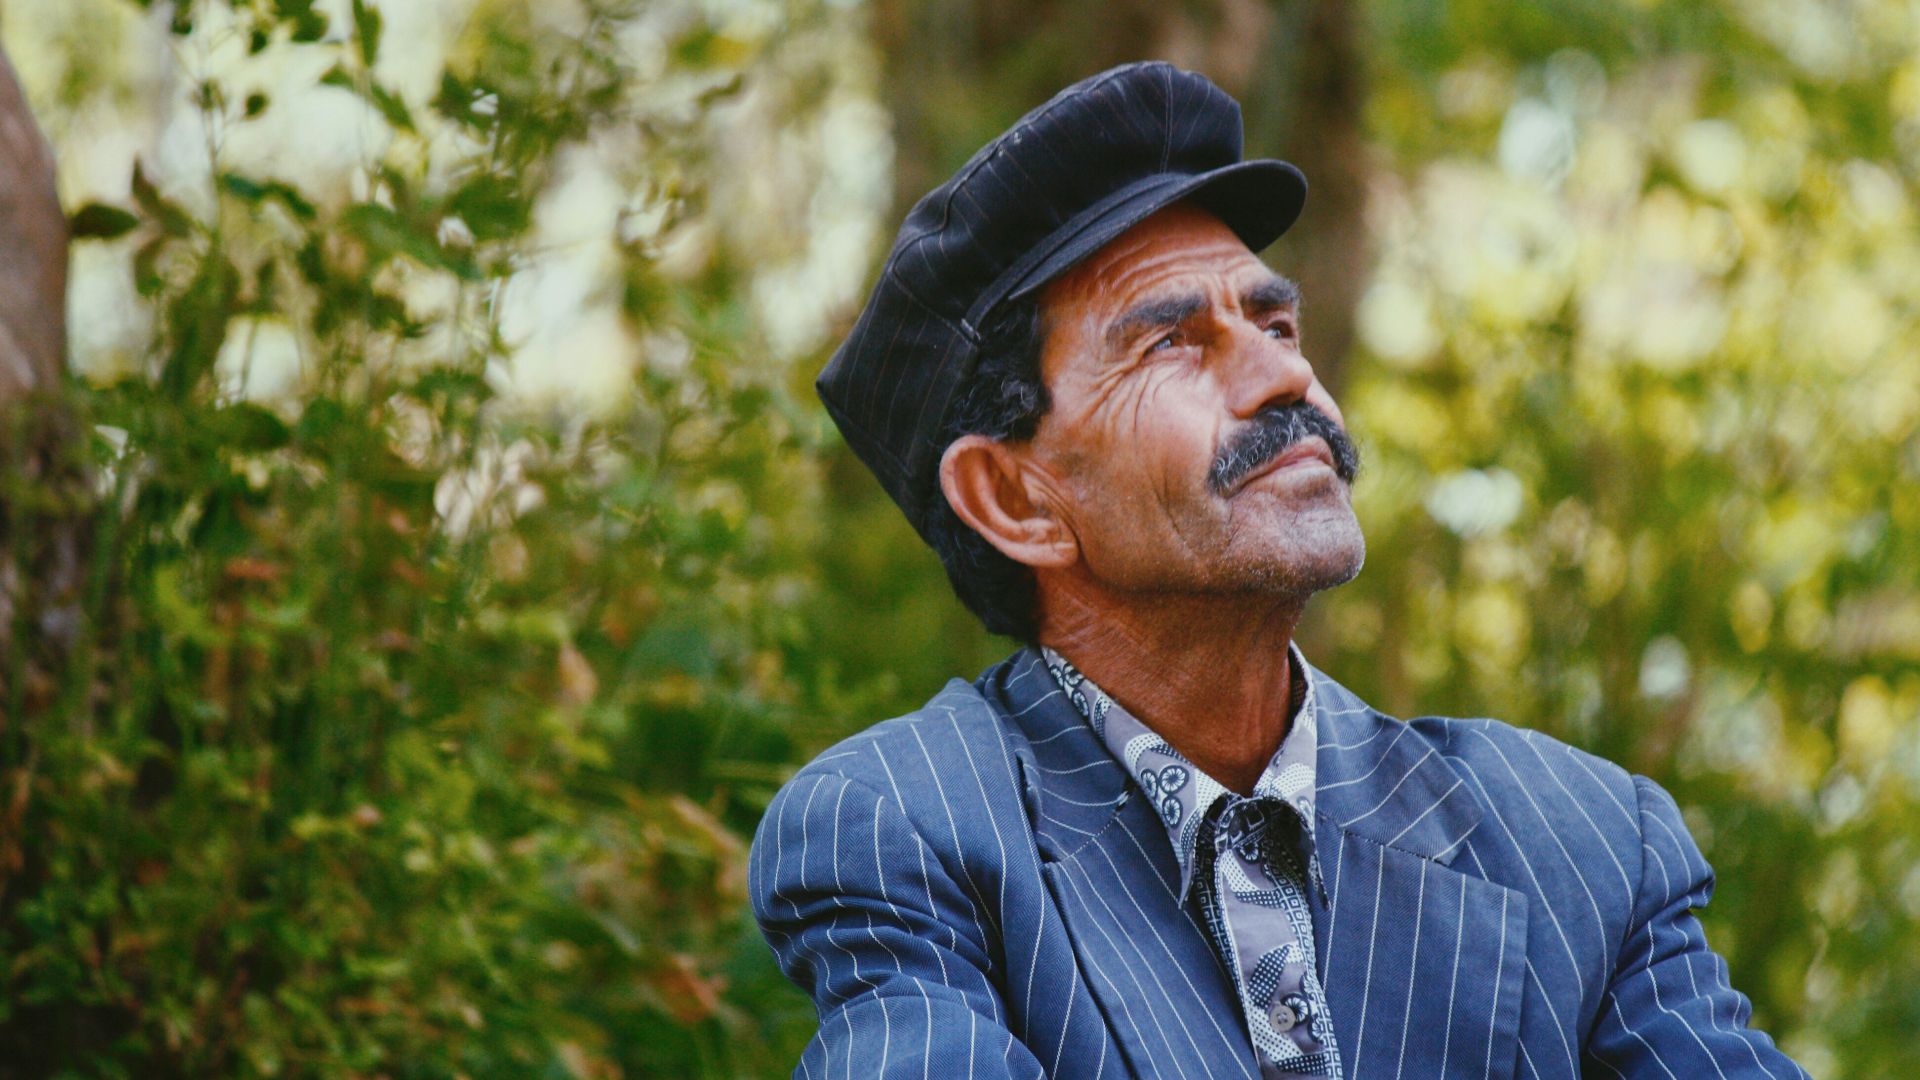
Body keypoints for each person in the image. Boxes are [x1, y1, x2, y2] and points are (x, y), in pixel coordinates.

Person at [750, 61, 1807, 1079]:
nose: (1286, 372)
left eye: (1275, 320)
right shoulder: (905, 826)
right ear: (1015, 500)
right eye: (1170, 342)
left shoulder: (1578, 837)